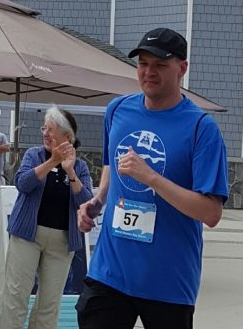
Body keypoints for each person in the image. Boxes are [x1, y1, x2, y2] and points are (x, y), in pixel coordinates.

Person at [75, 27, 229, 329]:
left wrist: (152, 177)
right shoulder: (117, 109)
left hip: (167, 281)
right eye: (143, 63)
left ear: (182, 68)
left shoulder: (201, 128)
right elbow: (111, 164)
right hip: (110, 273)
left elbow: (211, 213)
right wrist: (98, 200)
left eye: (160, 64)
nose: (149, 72)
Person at [0, 106, 93, 329]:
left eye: (51, 129)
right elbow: (22, 183)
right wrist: (52, 161)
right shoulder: (34, 155)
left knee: (49, 304)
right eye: (44, 128)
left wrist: (70, 172)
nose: (45, 133)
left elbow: (87, 202)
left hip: (62, 242)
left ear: (67, 137)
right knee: (16, 297)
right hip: (27, 236)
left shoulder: (80, 167)